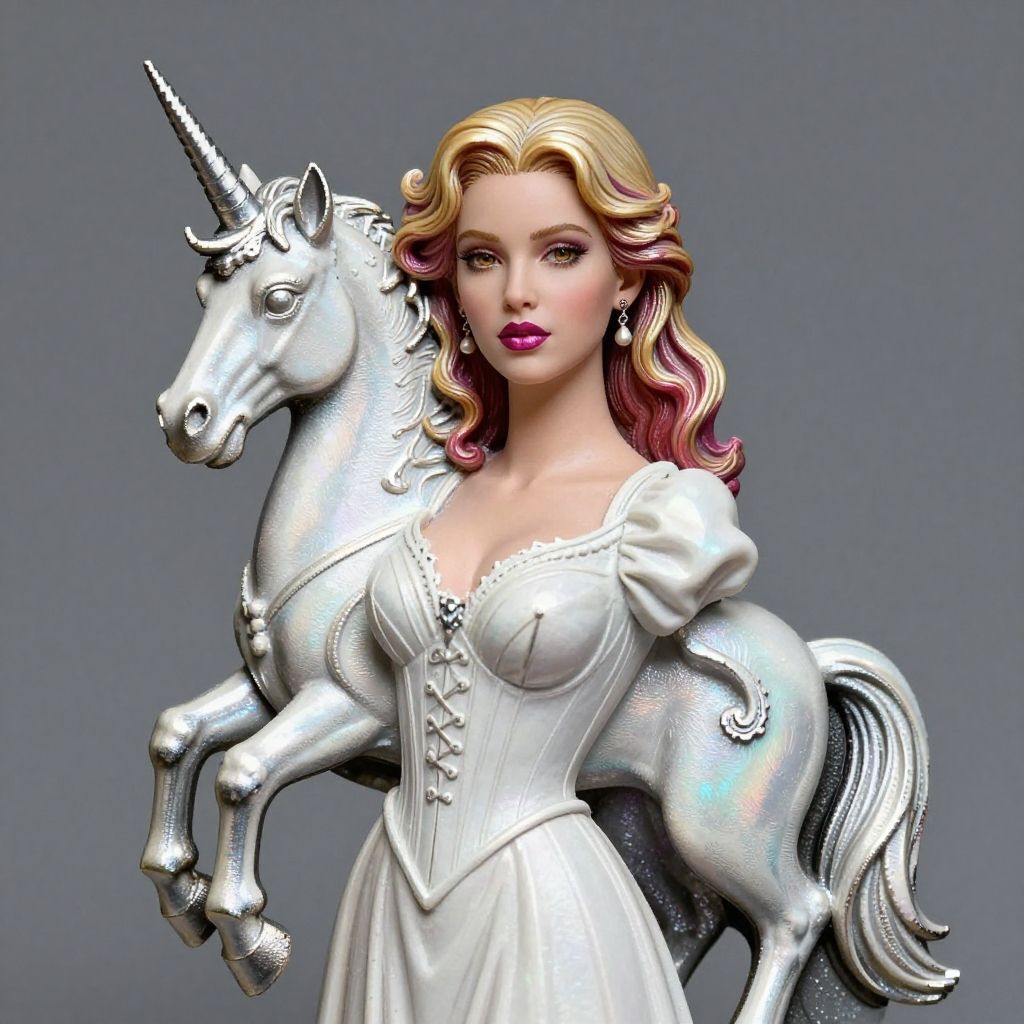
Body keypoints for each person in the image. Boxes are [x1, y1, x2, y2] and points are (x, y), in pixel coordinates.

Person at [316, 97, 758, 1024]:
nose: (518, 292)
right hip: (390, 901)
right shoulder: (428, 498)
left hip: (545, 921)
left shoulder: (665, 514)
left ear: (627, 277)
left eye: (561, 253)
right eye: (484, 258)